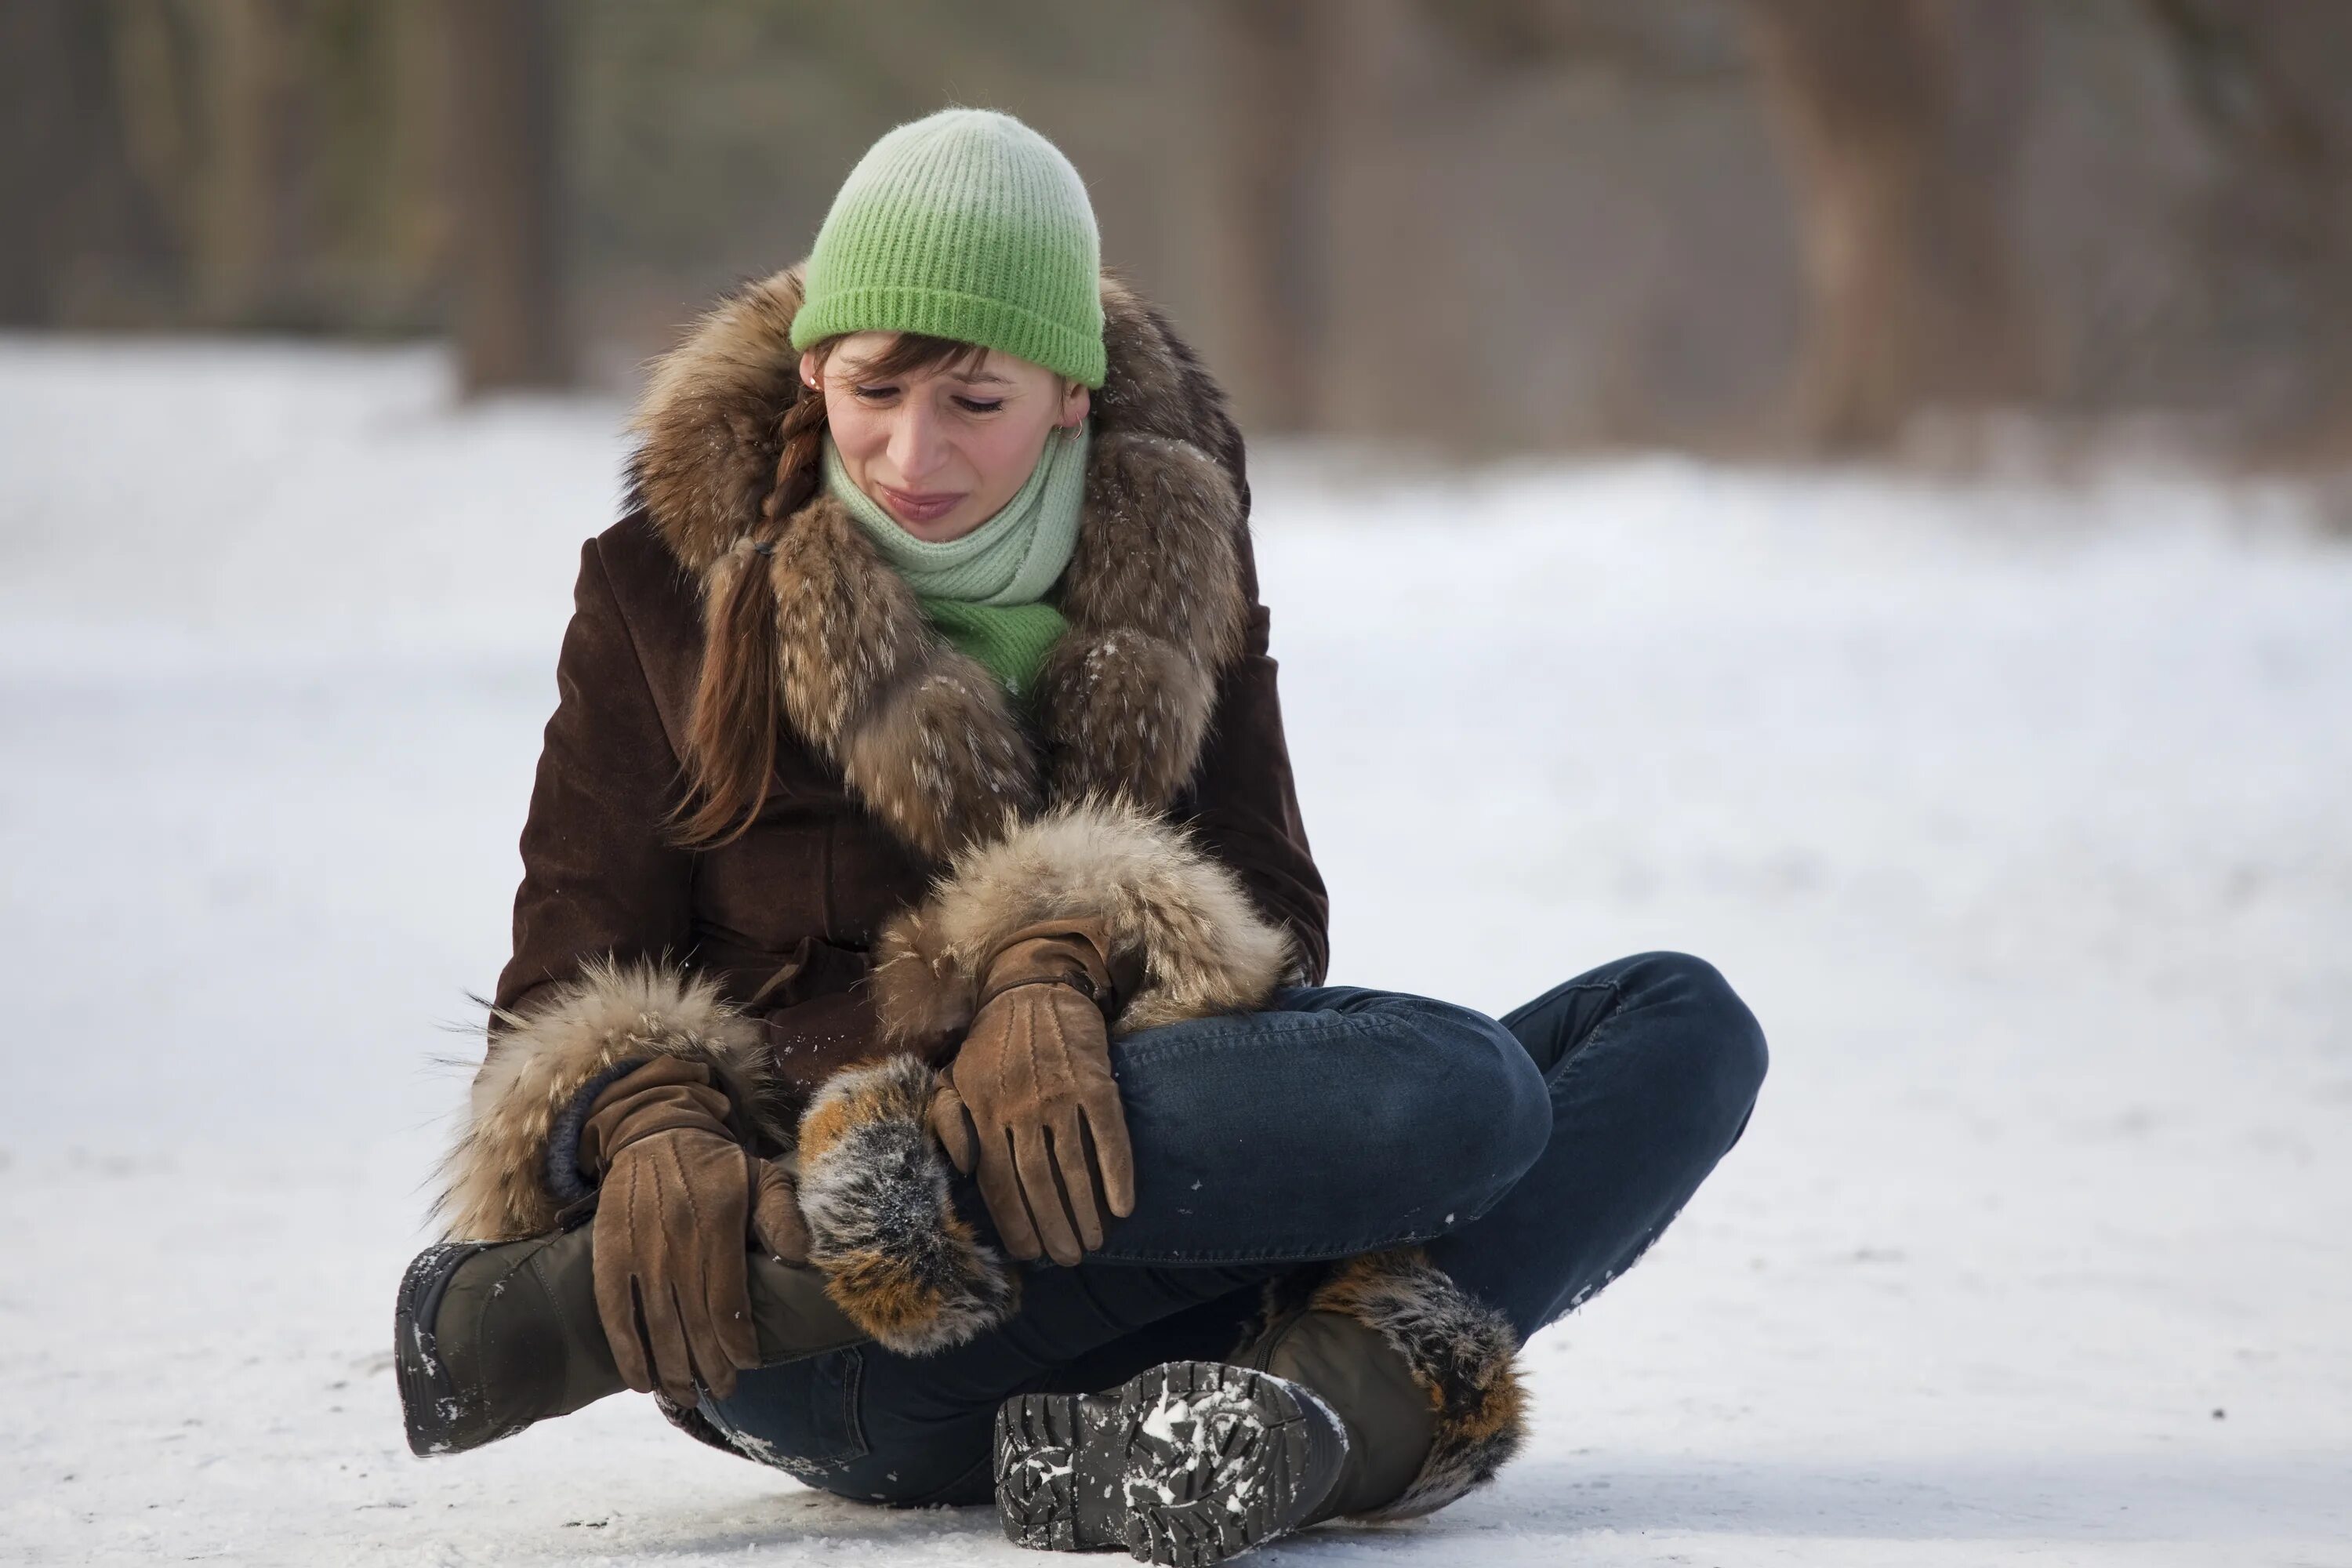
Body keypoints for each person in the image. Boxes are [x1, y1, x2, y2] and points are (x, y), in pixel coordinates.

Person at [395, 107, 1766, 1566]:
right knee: (1466, 1099)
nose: (912, 452)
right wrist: (654, 1124)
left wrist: (1059, 952)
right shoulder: (662, 589)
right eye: (874, 391)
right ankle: (711, 1277)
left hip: (1131, 1272)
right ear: (814, 365)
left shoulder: (1173, 559)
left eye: (974, 403)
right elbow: (564, 987)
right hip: (814, 1352)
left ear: (1071, 394)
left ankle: (1278, 1429)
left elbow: (1275, 915)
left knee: (1674, 1024)